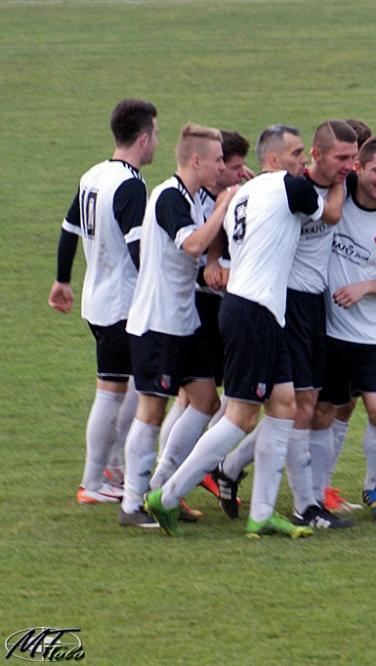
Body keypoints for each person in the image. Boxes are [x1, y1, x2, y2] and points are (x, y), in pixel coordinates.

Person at [144, 124, 346, 538]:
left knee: (284, 403)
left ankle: (262, 514)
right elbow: (332, 213)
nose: (303, 162)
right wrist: (343, 177)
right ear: (272, 160)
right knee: (239, 417)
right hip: (254, 311)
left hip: (259, 310)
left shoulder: (244, 191)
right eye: (295, 155)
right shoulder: (288, 187)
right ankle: (164, 496)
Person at [213, 120, 362, 530]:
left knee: (301, 407)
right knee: (299, 407)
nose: (351, 166)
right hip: (287, 302)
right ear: (315, 155)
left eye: (354, 158)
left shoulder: (339, 182)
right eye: (343, 158)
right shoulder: (292, 187)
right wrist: (215, 263)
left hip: (316, 305)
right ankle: (306, 506)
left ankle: (231, 467)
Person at [117, 123, 231, 528]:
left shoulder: (198, 198)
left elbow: (204, 255)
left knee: (207, 401)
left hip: (185, 321)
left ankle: (164, 490)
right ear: (196, 160)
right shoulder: (168, 196)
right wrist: (224, 205)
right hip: (157, 323)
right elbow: (194, 245)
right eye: (218, 160)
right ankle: (132, 504)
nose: (222, 166)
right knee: (151, 410)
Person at [48, 98, 159, 505]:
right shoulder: (130, 185)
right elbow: (138, 252)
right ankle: (103, 478)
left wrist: (62, 280)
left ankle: (99, 479)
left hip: (97, 303)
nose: (157, 143)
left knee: (113, 389)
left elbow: (68, 230)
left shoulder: (93, 174)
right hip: (124, 306)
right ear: (143, 137)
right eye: (157, 135)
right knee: (130, 392)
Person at [306, 136, 376, 521]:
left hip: (370, 335)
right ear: (360, 168)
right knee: (324, 411)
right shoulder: (337, 196)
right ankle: (317, 496)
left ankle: (373, 485)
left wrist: (365, 287)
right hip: (329, 333)